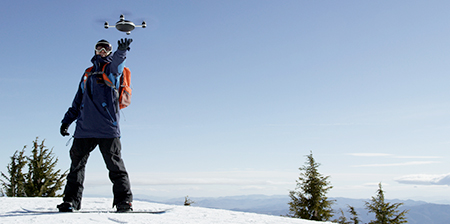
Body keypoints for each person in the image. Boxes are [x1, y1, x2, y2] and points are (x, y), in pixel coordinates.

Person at [58, 38, 133, 212]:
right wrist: (67, 120)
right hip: (84, 129)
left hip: (107, 128)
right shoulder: (87, 73)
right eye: (98, 48)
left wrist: (122, 51)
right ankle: (70, 201)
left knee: (115, 166)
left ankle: (124, 202)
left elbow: (118, 63)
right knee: (76, 167)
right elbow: (78, 100)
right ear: (94, 51)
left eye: (105, 49)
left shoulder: (112, 70)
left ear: (109, 51)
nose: (101, 51)